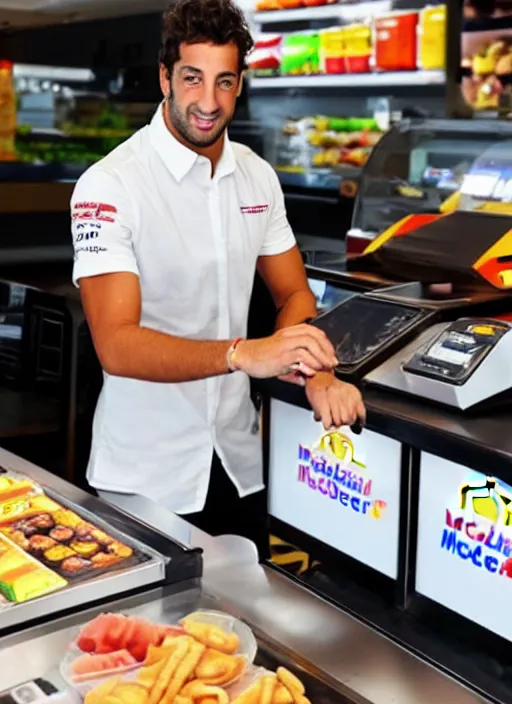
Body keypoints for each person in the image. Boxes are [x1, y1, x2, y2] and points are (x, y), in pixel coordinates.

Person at [70, 0, 365, 558]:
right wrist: (241, 354)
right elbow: (116, 345)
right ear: (165, 77)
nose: (209, 103)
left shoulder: (256, 177)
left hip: (238, 463)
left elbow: (295, 293)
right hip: (146, 476)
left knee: (243, 637)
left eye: (224, 82)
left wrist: (315, 368)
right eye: (192, 79)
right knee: (153, 642)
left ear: (240, 82)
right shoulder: (109, 186)